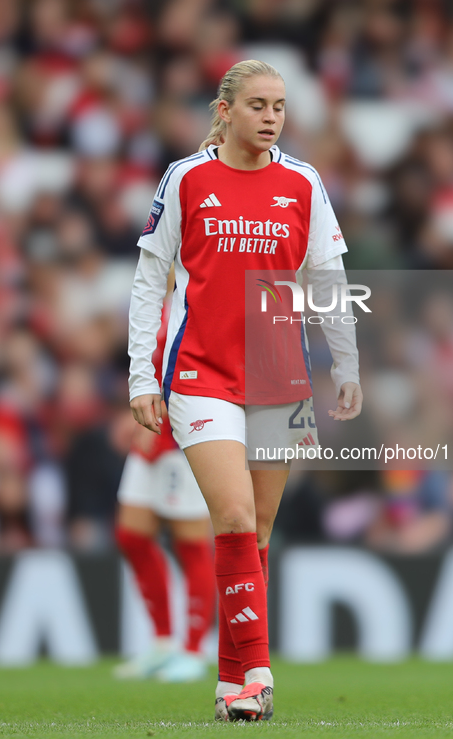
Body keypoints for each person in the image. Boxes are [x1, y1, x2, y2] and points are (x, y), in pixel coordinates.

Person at [128, 59, 362, 721]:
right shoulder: (186, 178)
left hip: (277, 373)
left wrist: (345, 367)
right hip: (200, 370)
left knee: (256, 532)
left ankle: (232, 682)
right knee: (230, 515)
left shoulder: (302, 183)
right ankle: (257, 670)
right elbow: (150, 281)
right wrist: (141, 376)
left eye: (279, 105)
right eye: (257, 104)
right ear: (224, 109)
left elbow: (328, 283)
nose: (270, 116)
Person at [115, 284, 215, 682]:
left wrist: (167, 418)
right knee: (132, 536)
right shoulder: (155, 293)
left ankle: (193, 649)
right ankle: (162, 642)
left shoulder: (202, 288)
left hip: (183, 429)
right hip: (151, 431)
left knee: (191, 541)